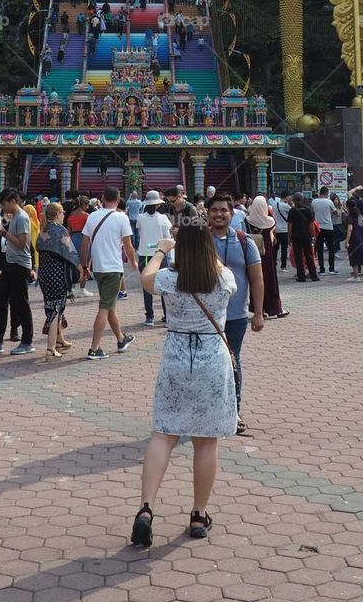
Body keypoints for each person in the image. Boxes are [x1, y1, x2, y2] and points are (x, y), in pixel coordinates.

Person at [130, 225, 237, 546]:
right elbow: (218, 269)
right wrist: (202, 248)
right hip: (212, 359)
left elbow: (144, 279)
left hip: (176, 355)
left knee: (163, 434)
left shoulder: (168, 279)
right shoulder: (223, 279)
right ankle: (198, 514)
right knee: (206, 441)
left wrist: (162, 249)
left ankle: (146, 509)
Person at [208, 193, 264, 434]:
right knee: (206, 365)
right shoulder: (200, 241)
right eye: (215, 210)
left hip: (236, 316)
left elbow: (257, 278)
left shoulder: (244, 241)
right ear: (207, 213)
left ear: (232, 214)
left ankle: (234, 411)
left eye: (224, 210)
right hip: (205, 318)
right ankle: (207, 412)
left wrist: (258, 312)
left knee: (232, 362)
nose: (219, 214)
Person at [80, 186, 137, 360]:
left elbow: (84, 243)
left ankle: (121, 339)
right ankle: (94, 348)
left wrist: (84, 265)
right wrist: (133, 262)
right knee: (105, 307)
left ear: (103, 199)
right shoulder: (122, 218)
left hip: (98, 268)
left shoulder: (92, 216)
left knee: (109, 304)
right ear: (119, 200)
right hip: (113, 267)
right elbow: (128, 245)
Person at [0, 188, 35, 355]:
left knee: (21, 303)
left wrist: (2, 232)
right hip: (10, 264)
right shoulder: (15, 217)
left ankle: (27, 341)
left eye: (4, 204)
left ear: (12, 201)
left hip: (19, 265)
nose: (3, 207)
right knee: (0, 300)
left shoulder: (22, 217)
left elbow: (22, 243)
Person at [36, 202, 79, 359]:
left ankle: (59, 339)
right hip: (58, 275)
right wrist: (81, 269)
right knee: (55, 310)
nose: (64, 214)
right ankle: (50, 347)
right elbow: (71, 253)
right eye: (62, 212)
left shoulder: (43, 230)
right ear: (57, 214)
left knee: (55, 307)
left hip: (44, 275)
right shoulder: (60, 230)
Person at [246, 196, 287, 318]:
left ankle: (259, 309)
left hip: (252, 256)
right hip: (267, 256)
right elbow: (273, 239)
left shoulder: (247, 220)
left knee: (255, 281)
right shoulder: (270, 222)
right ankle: (275, 308)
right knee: (270, 282)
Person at [136, 191, 172, 326]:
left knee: (146, 286)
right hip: (160, 254)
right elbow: (167, 238)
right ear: (158, 205)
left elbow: (140, 234)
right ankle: (167, 316)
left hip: (144, 254)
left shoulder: (140, 217)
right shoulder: (163, 218)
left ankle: (149, 316)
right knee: (164, 284)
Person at [345, 187, 363, 281]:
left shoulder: (357, 203)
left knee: (358, 249)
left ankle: (358, 270)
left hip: (358, 228)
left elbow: (348, 193)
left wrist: (357, 188)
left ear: (361, 195)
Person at [288, 195, 318, 282]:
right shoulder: (307, 210)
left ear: (293, 200)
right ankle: (314, 276)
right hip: (306, 235)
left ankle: (301, 276)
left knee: (298, 256)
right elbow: (311, 224)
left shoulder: (292, 211)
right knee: (309, 255)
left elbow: (290, 225)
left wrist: (289, 237)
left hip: (296, 236)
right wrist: (313, 236)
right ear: (302, 199)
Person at [311, 187, 338, 275]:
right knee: (331, 248)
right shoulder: (329, 202)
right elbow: (336, 212)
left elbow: (312, 212)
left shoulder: (314, 201)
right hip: (328, 226)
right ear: (327, 193)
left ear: (320, 192)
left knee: (319, 249)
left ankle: (322, 269)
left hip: (318, 227)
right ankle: (331, 268)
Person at [270, 193, 290, 269]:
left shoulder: (273, 205)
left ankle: (274, 263)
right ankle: (283, 265)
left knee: (275, 248)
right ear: (287, 197)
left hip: (275, 230)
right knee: (284, 249)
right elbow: (292, 212)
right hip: (284, 230)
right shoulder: (286, 206)